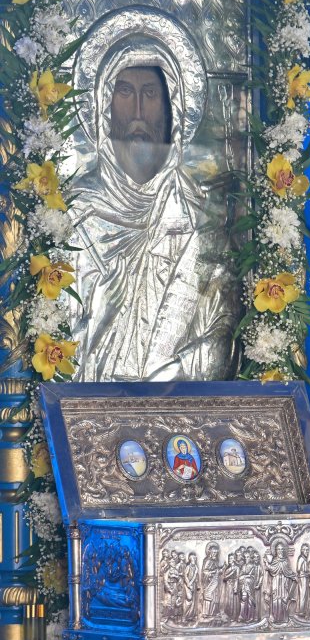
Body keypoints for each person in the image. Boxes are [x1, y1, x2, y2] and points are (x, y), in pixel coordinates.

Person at [70, 22, 239, 381]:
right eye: (124, 92)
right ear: (103, 105)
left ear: (171, 108)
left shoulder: (199, 223)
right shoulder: (75, 216)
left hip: (177, 427)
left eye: (150, 94)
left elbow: (222, 333)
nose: (137, 113)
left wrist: (163, 382)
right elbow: (53, 334)